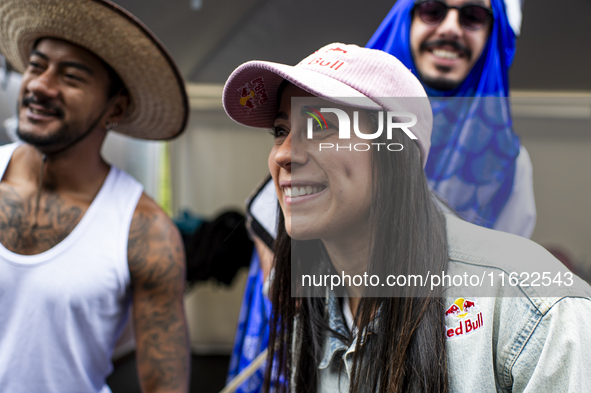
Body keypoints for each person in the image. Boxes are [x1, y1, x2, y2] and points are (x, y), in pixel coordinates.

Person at [222, 43, 591, 392]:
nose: (284, 154)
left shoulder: (531, 305)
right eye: (281, 131)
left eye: (321, 125)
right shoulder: (313, 306)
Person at [0, 1, 190, 392]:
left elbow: (165, 386)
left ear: (114, 108)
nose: (38, 85)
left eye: (70, 76)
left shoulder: (145, 231)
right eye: (36, 66)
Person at [367, 0, 535, 237]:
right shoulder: (339, 128)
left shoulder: (511, 168)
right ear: (406, 21)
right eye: (432, 9)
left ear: (491, 36)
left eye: (473, 16)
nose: (451, 29)